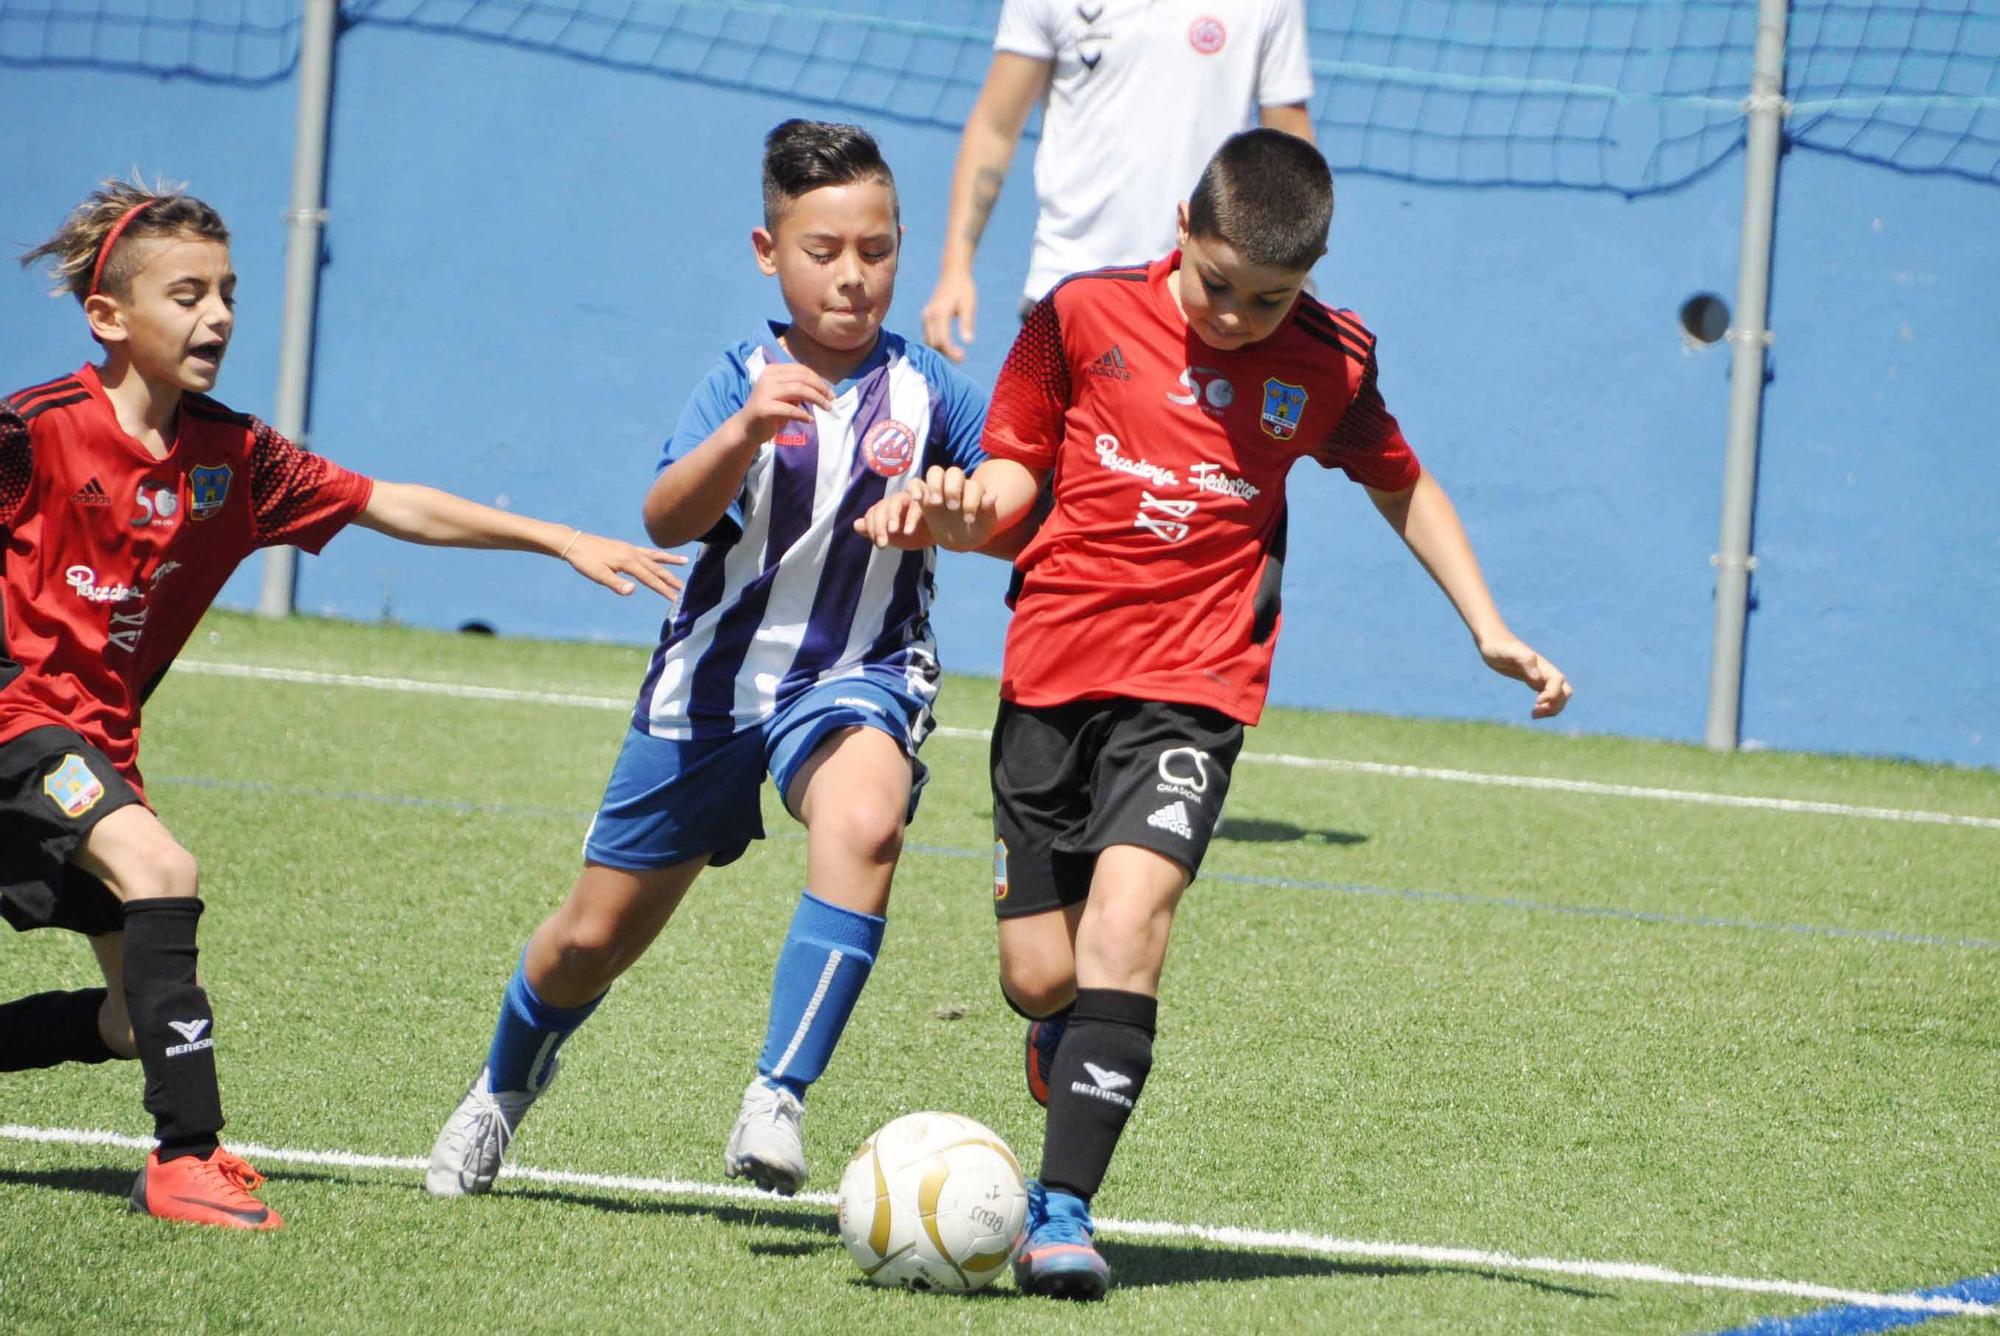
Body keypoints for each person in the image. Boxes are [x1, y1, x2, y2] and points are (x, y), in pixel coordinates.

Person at [861, 129, 1573, 1300]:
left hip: (1194, 688)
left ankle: (1062, 1211)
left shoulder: (1332, 364)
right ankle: (1064, 1034)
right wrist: (953, 514)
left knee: (1130, 921)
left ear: (1312, 277)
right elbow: (1010, 474)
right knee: (1042, 974)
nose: (1239, 317)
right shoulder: (1077, 317)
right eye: (1217, 285)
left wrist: (1484, 625)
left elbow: (1401, 481)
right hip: (1051, 675)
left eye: (1270, 298)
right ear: (1179, 233)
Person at [0, 180, 686, 1231]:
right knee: (163, 869)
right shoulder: (35, 433)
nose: (219, 316)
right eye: (186, 294)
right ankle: (186, 1158)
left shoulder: (233, 459)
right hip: (17, 725)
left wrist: (558, 538)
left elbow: (388, 502)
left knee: (137, 1018)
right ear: (108, 316)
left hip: (97, 742)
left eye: (227, 292)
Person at [424, 119, 990, 1202]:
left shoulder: (931, 393)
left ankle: (777, 1094)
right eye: (822, 251)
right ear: (766, 252)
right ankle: (499, 1090)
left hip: (856, 673)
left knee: (867, 819)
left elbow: (1011, 490)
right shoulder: (739, 375)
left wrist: (962, 506)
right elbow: (666, 513)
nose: (851, 275)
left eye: (874, 250)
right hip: (709, 691)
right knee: (590, 939)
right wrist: (741, 431)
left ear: (900, 247)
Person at [922, 0, 1315, 362]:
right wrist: (956, 268)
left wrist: (1299, 276)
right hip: (1071, 288)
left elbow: (1290, 146)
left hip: (1202, 303)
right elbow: (995, 128)